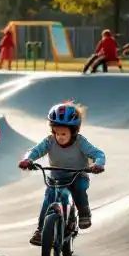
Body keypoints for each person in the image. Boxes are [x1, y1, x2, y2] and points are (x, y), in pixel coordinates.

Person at [18, 102, 106, 246]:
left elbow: (97, 153)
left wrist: (98, 164)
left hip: (78, 175)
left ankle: (84, 213)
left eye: (64, 133)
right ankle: (41, 230)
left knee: (79, 189)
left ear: (74, 131)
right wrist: (27, 159)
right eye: (56, 132)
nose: (60, 137)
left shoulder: (80, 142)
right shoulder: (49, 141)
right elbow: (35, 150)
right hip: (57, 178)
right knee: (48, 198)